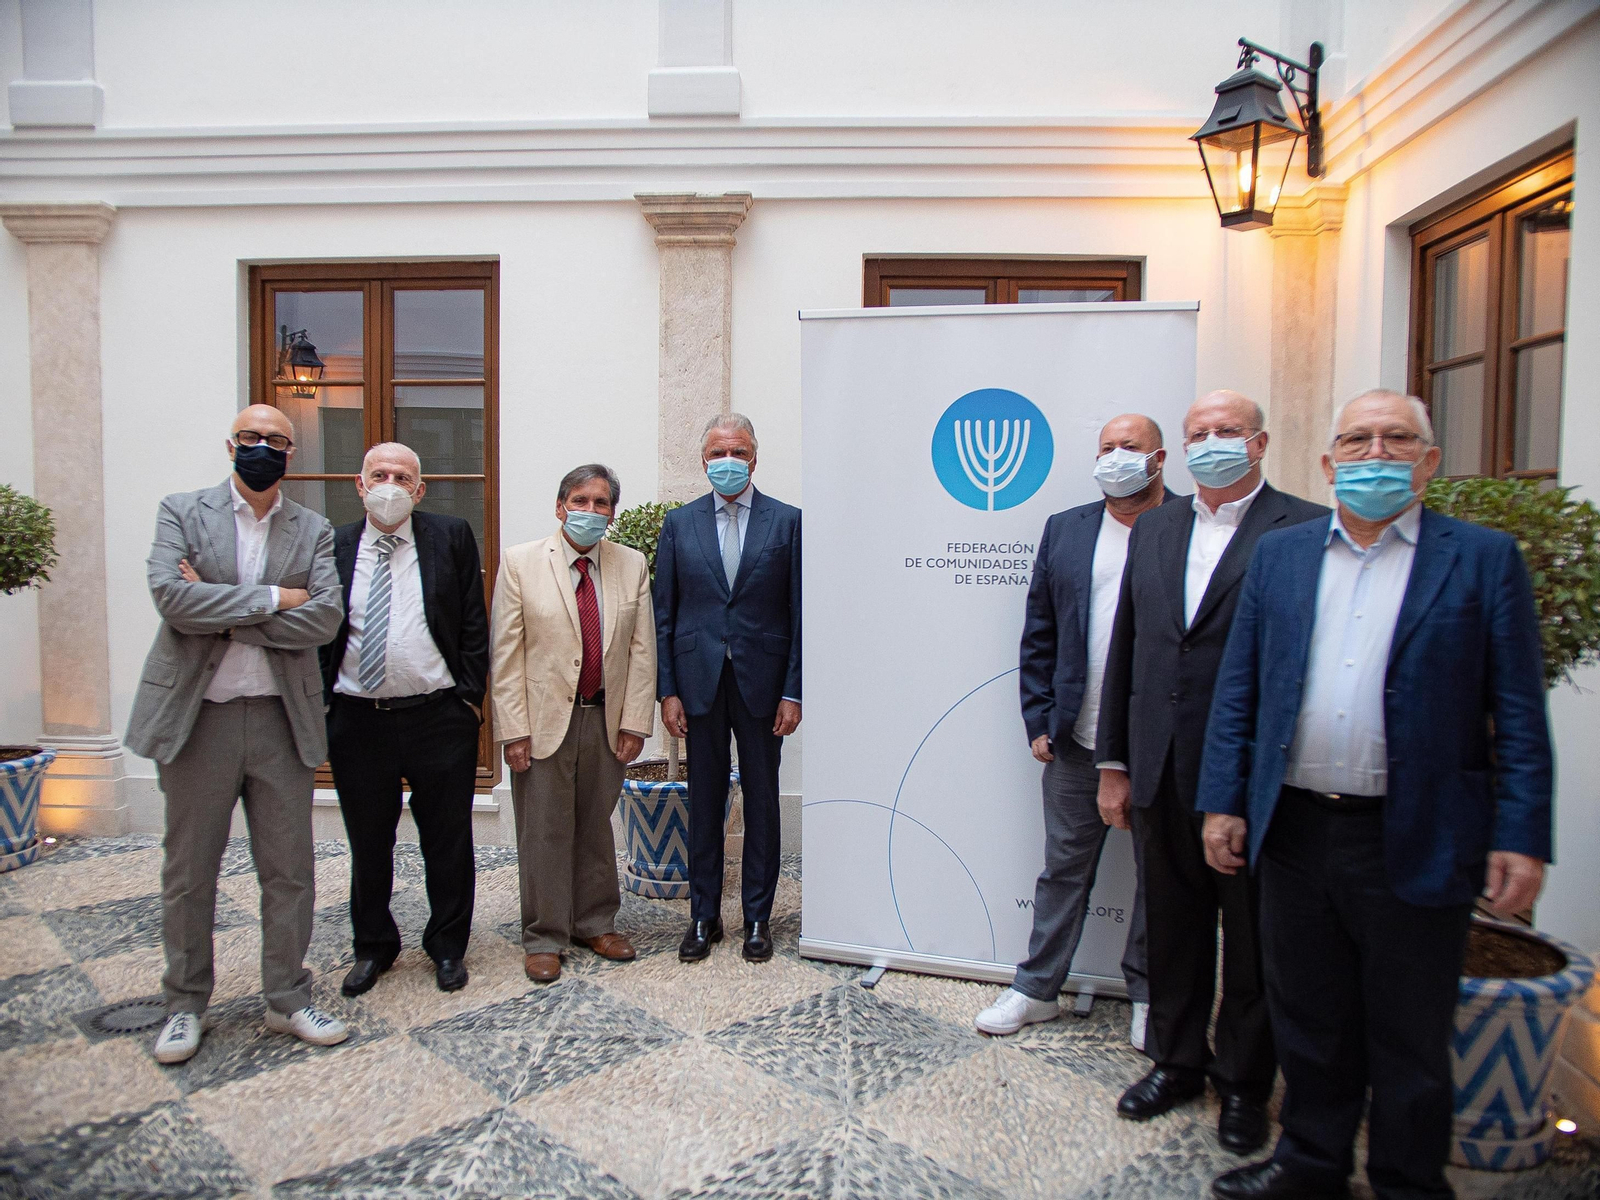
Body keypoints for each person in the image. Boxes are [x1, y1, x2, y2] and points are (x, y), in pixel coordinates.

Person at [1198, 390, 1552, 1200]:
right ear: (1328, 464)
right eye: (1356, 440)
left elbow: (1520, 713)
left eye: (1397, 440)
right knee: (1310, 1019)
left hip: (1418, 833)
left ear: (1428, 462)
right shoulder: (1283, 557)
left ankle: (1406, 1181)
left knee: (1409, 1033)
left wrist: (1522, 835)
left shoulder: (1482, 559)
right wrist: (1224, 801)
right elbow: (1240, 692)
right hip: (1295, 832)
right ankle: (1312, 1163)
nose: (1374, 455)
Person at [1095, 389, 1327, 1152]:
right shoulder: (1158, 526)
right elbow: (1129, 649)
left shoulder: (1303, 529)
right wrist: (1116, 762)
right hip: (1159, 766)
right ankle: (1178, 1061)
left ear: (1260, 444)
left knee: (1254, 940)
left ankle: (1243, 1084)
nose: (1211, 443)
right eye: (1199, 433)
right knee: (1173, 929)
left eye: (1228, 431)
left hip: (1254, 778)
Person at [127, 404, 349, 1064]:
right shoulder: (182, 512)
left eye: (275, 441)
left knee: (291, 871)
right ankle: (184, 1003)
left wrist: (222, 610)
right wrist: (275, 598)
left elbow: (326, 619)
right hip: (200, 718)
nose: (262, 448)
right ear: (231, 444)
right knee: (190, 871)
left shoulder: (311, 529)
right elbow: (171, 598)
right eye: (251, 438)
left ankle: (286, 997)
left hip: (282, 718)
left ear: (290, 452)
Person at [976, 413, 1175, 1048]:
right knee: (1062, 868)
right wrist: (1038, 718)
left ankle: (1148, 994)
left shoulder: (1187, 527)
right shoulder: (1067, 530)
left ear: (1160, 458)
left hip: (1161, 743)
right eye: (1107, 447)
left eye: (1131, 447)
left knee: (1159, 873)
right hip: (1077, 739)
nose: (1117, 457)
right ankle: (1036, 990)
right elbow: (1039, 632)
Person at [319, 442, 488, 997]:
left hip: (439, 716)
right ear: (360, 484)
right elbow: (319, 630)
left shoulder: (450, 535)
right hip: (357, 720)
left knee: (448, 841)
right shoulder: (334, 545)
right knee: (369, 842)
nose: (390, 484)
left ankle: (446, 947)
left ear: (420, 491)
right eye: (380, 474)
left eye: (403, 477)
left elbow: (471, 619)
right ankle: (373, 947)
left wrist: (469, 699)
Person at [491, 464, 656, 983]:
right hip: (542, 722)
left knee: (594, 826)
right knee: (544, 830)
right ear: (560, 507)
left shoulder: (631, 565)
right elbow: (506, 653)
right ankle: (544, 935)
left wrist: (635, 721)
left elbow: (642, 650)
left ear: (612, 512)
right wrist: (512, 729)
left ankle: (595, 923)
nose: (589, 511)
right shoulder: (521, 563)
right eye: (579, 501)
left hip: (604, 718)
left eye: (600, 502)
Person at [654, 413, 802, 964]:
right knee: (705, 801)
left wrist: (794, 690)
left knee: (763, 800)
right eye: (718, 452)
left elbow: (799, 612)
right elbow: (663, 613)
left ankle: (758, 917)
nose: (728, 461)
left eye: (738, 452)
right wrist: (668, 691)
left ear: (755, 459)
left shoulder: (787, 523)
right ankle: (704, 916)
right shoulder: (679, 524)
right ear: (703, 460)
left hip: (765, 687)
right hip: (700, 685)